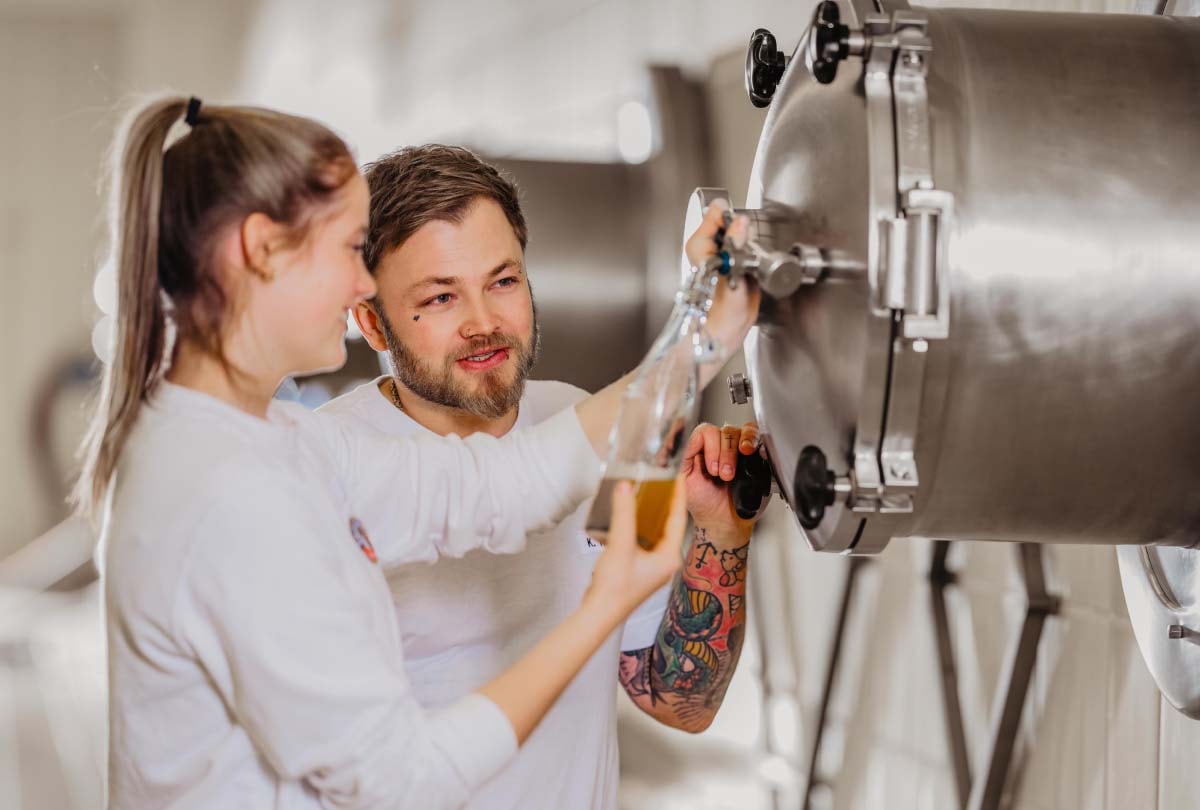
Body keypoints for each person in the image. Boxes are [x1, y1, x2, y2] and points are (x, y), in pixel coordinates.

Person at [75, 96, 756, 809]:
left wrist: (702, 327)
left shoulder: (281, 442)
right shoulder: (226, 493)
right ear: (260, 251)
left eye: (502, 279)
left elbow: (498, 487)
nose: (359, 286)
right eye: (346, 251)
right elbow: (397, 781)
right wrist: (603, 606)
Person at [321, 144, 764, 809]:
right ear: (369, 322)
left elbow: (676, 698)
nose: (483, 323)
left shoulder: (584, 420)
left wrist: (721, 533)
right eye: (440, 297)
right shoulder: (330, 468)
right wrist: (703, 326)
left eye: (502, 281)